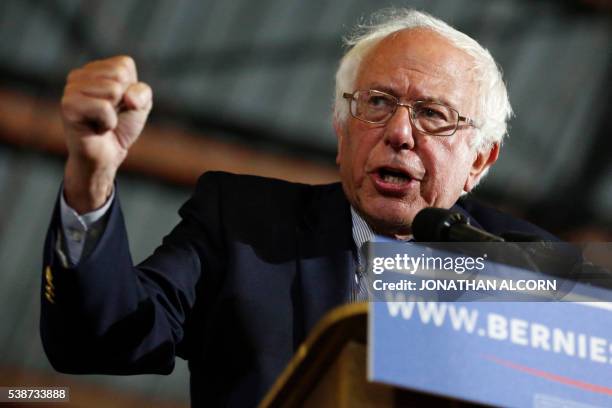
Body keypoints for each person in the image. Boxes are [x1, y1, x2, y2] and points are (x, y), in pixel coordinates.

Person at [40, 8, 556, 407]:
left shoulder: (530, 269)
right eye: (376, 103)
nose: (399, 133)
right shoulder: (242, 224)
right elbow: (100, 336)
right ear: (341, 129)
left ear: (479, 161)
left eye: (432, 115)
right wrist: (91, 178)